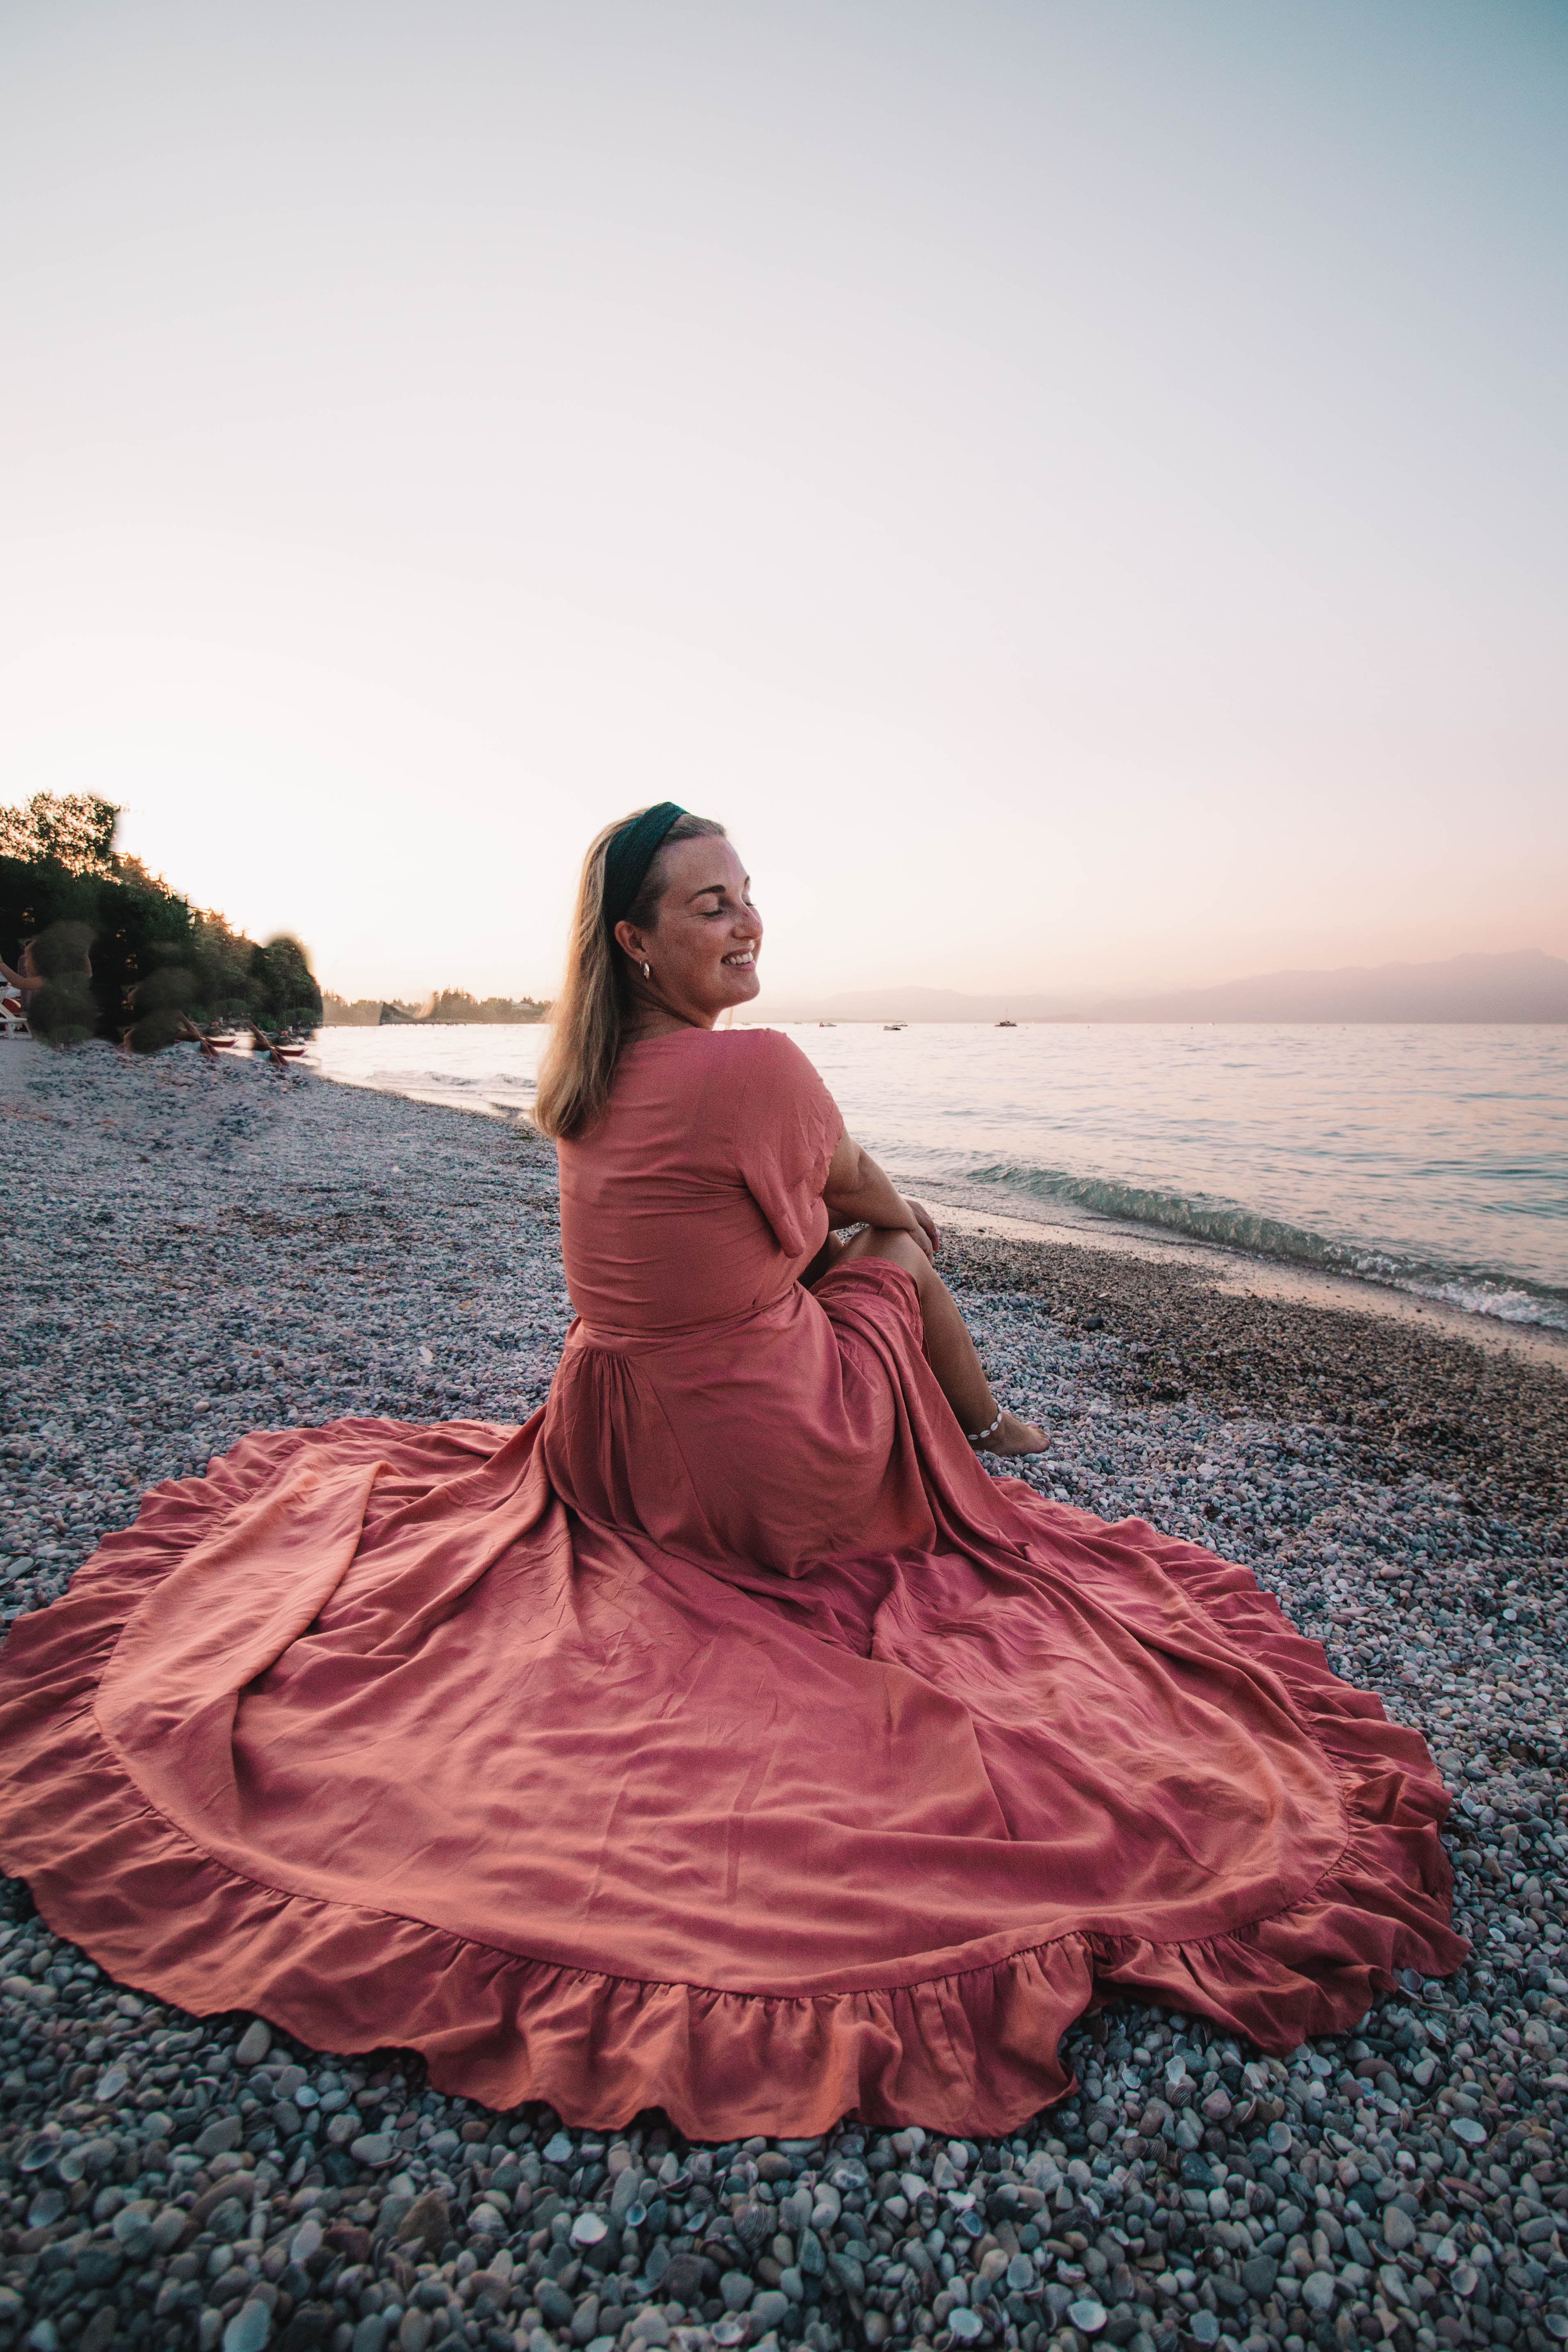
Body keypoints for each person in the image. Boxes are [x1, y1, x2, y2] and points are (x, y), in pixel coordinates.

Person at [0, 804, 1463, 2141]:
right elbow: (877, 1202)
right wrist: (881, 1232)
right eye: (709, 904)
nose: (745, 921)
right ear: (634, 939)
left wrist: (799, 1244)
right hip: (766, 1454)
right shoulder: (750, 1064)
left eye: (748, 895)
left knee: (822, 1263)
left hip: (612, 1441)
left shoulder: (594, 1073)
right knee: (888, 1255)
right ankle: (980, 1429)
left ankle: (973, 1427)